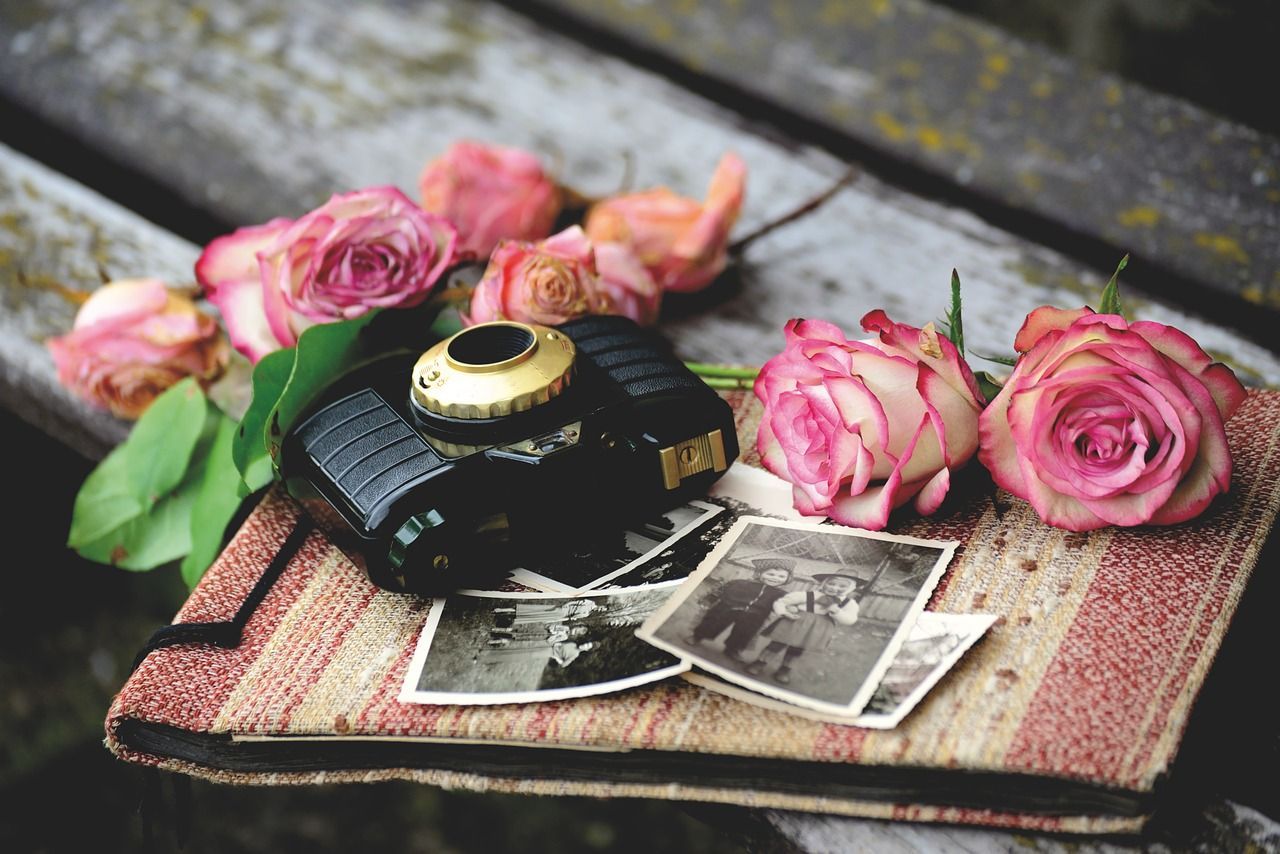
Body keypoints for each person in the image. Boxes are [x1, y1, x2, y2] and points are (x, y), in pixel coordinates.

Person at [747, 572, 862, 685]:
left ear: (850, 588)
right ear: (824, 583)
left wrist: (837, 611)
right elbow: (782, 602)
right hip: (794, 623)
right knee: (777, 644)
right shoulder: (807, 595)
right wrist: (785, 611)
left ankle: (785, 669)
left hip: (816, 629)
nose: (834, 588)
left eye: (842, 586)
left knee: (797, 649)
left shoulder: (848, 603)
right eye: (831, 584)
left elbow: (850, 619)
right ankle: (760, 662)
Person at [687, 558, 794, 663]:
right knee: (714, 620)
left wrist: (787, 609)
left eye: (781, 576)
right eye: (770, 574)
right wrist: (710, 599)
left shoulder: (781, 594)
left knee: (746, 632)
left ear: (788, 579)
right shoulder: (741, 583)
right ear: (759, 573)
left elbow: (783, 604)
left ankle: (733, 649)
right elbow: (721, 590)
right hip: (729, 606)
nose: (775, 578)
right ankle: (698, 636)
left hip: (756, 614)